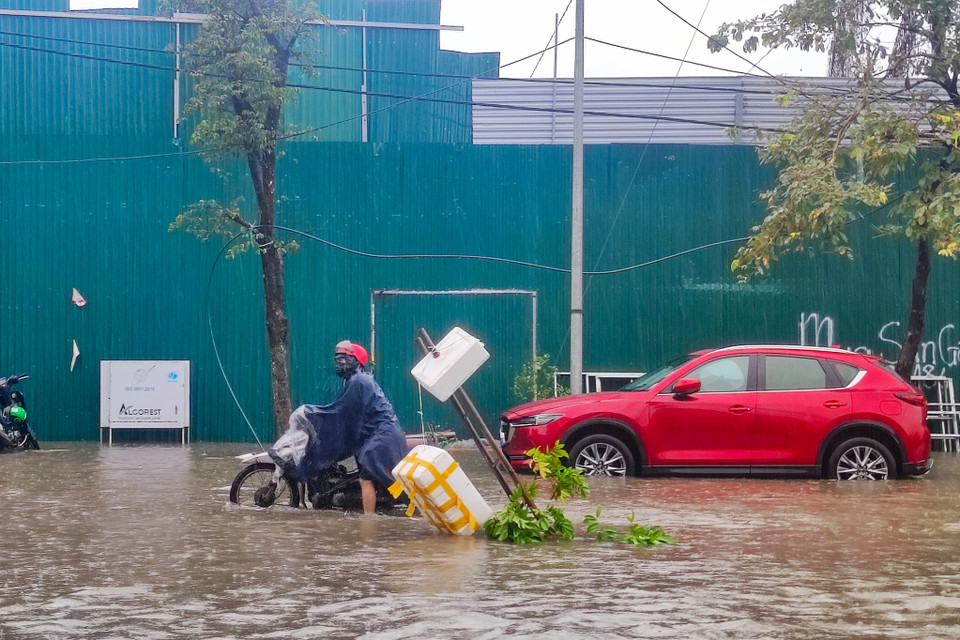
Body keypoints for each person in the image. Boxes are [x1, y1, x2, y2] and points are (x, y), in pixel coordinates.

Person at [263, 340, 408, 514]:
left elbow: (338, 410)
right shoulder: (353, 381)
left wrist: (310, 413)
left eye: (343, 360)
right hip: (373, 434)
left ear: (354, 361)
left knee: (365, 480)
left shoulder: (358, 381)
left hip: (381, 434)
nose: (339, 365)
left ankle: (369, 522)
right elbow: (344, 412)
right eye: (338, 361)